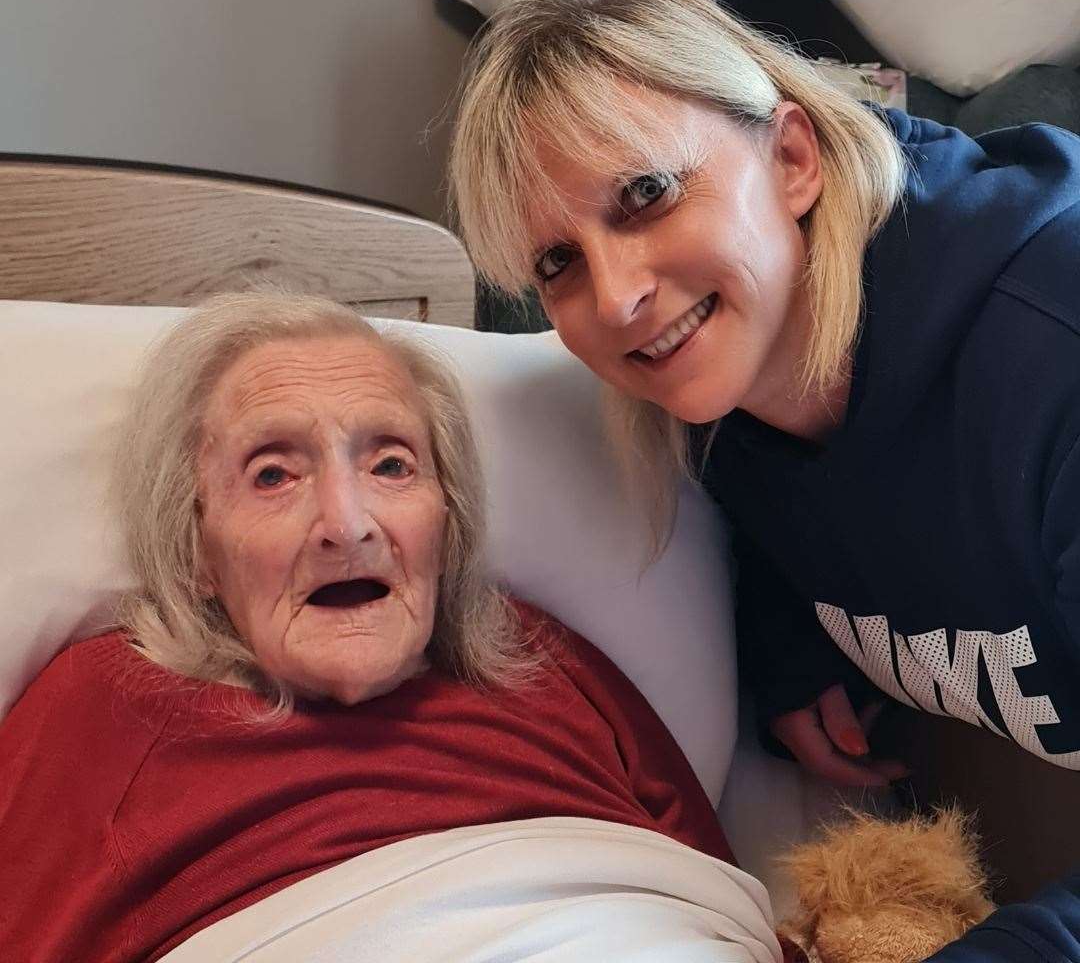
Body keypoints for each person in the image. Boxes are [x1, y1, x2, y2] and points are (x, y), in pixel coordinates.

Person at [447, 0, 1080, 959]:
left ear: (792, 157)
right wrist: (792, 647)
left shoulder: (1052, 352)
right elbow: (799, 507)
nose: (613, 299)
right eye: (558, 264)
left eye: (646, 194)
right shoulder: (720, 406)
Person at [0, 293, 778, 963]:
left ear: (448, 517)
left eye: (392, 465)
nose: (347, 524)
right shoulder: (104, 706)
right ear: (196, 546)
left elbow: (723, 901)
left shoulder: (540, 661)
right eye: (273, 474)